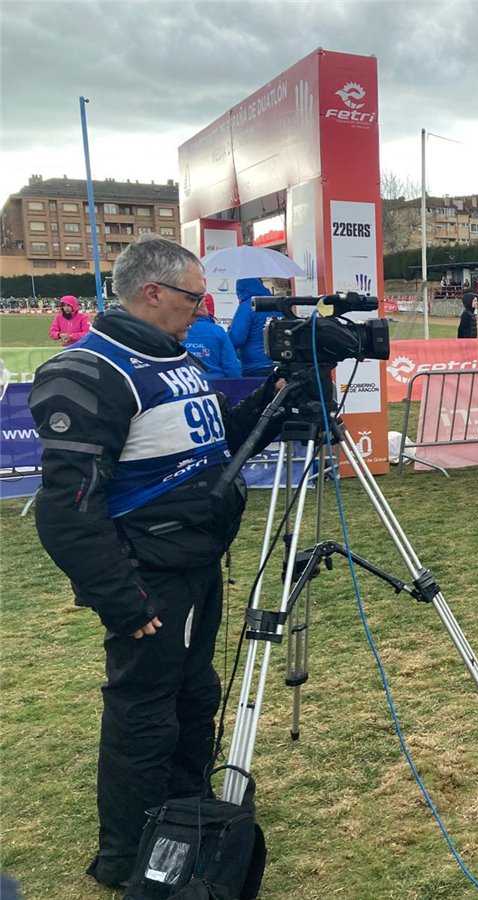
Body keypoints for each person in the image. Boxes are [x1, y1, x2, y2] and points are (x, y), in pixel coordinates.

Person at [28, 236, 288, 887]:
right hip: (147, 575)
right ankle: (130, 852)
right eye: (194, 298)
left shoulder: (177, 356)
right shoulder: (91, 370)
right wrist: (123, 598)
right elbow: (67, 510)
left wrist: (277, 395)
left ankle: (186, 814)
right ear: (153, 292)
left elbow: (219, 439)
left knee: (196, 695)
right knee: (144, 712)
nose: (202, 309)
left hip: (198, 560)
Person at [228, 277, 282, 376]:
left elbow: (237, 339)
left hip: (254, 367)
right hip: (278, 363)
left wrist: (229, 331)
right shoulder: (276, 304)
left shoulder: (247, 306)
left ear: (241, 290)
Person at [182, 293, 242, 378]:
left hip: (188, 381)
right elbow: (231, 366)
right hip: (216, 382)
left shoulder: (179, 330)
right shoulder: (218, 331)